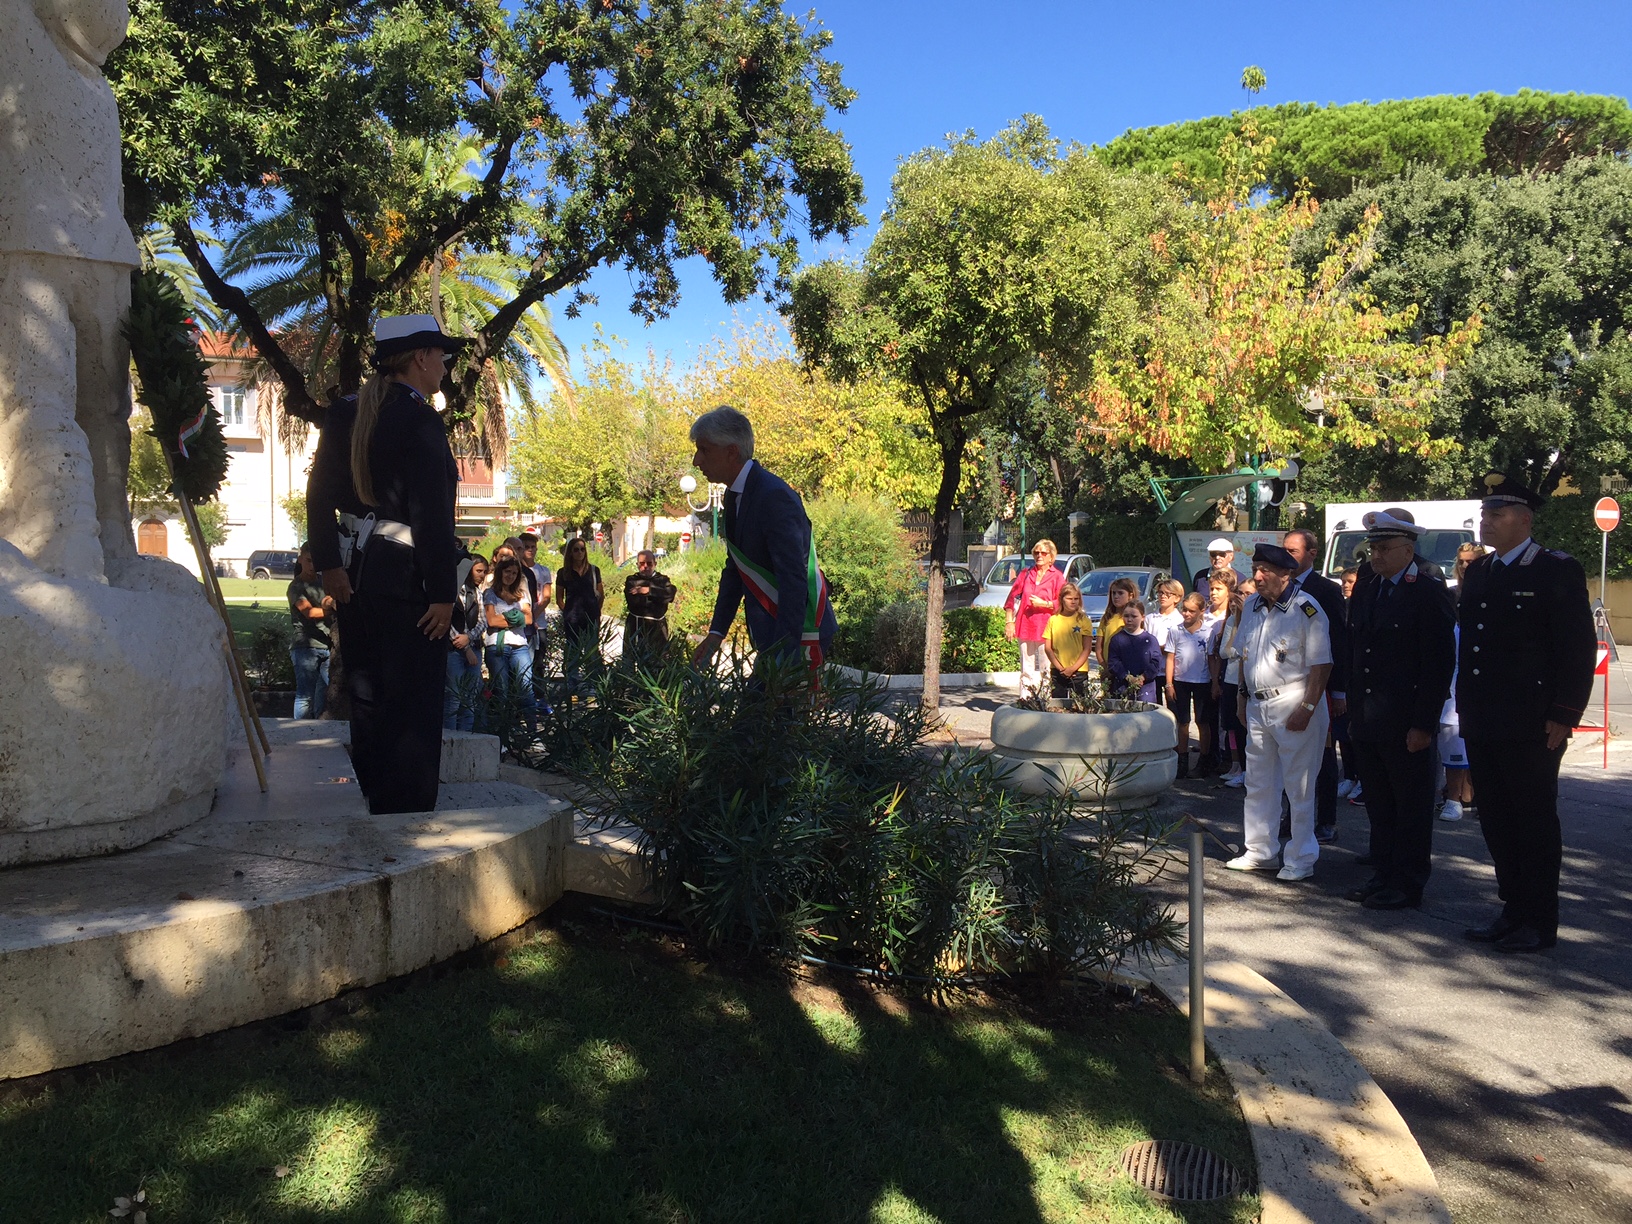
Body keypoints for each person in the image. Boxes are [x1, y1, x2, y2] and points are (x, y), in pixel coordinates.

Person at [306, 314, 460, 814]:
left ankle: (373, 799)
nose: (445, 364)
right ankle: (408, 817)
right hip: (409, 585)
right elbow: (431, 516)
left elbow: (318, 497)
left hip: (355, 579)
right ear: (419, 357)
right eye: (441, 354)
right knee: (412, 706)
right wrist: (443, 592)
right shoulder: (420, 418)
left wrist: (330, 565)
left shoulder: (345, 411)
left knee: (369, 698)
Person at [1458, 473, 1596, 953]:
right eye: (1484, 514)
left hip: (1532, 723)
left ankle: (1539, 920)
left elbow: (1576, 649)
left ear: (1524, 519)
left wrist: (1565, 712)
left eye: (1496, 515)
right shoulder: (1480, 571)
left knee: (1533, 822)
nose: (1486, 522)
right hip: (1484, 719)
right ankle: (1511, 910)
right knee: (1496, 820)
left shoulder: (1554, 569)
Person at [1342, 511, 1457, 910]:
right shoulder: (1369, 584)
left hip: (1406, 717)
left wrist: (1424, 723)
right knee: (1380, 804)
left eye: (1383, 548)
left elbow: (1438, 661)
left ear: (1407, 550)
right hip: (1371, 717)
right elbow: (1360, 650)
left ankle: (1407, 883)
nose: (1375, 555)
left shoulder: (1425, 587)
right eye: (1372, 547)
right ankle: (1383, 874)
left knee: (1410, 806)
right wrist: (1355, 712)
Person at [689, 406, 837, 676]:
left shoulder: (773, 496)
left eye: (704, 450)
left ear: (731, 451)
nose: (696, 461)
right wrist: (716, 633)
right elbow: (736, 570)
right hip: (776, 636)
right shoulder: (735, 496)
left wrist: (783, 657)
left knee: (764, 718)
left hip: (798, 636)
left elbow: (793, 579)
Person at [1228, 543, 1333, 882]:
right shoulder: (1254, 606)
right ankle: (1260, 850)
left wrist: (1308, 706)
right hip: (1259, 704)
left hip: (1294, 701)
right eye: (1255, 569)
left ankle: (1301, 856)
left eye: (1265, 571)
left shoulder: (1306, 609)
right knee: (1258, 781)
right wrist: (1243, 698)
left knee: (1299, 786)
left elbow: (1322, 664)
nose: (1257, 577)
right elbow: (1245, 655)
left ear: (1286, 574)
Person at [1282, 528, 1349, 841]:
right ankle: (1291, 816)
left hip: (1319, 689)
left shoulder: (1325, 589)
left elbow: (1338, 641)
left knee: (1322, 756)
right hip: (1286, 688)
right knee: (1288, 755)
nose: (1287, 556)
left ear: (1312, 553)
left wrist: (1337, 691)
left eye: (1293, 551)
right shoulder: (1279, 588)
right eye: (1286, 550)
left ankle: (1326, 820)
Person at [1003, 539, 1066, 700]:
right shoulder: (1025, 574)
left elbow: (1064, 601)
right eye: (1036, 552)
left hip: (1046, 628)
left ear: (1051, 557)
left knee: (1046, 668)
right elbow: (1012, 599)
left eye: (1043, 553)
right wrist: (1009, 622)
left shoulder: (1057, 577)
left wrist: (1045, 603)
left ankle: (1044, 700)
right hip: (1025, 626)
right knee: (1026, 667)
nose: (1039, 556)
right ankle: (1026, 700)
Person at [1164, 593, 1217, 779]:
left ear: (1201, 611)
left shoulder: (1208, 632)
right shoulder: (1175, 631)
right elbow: (1170, 657)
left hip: (1202, 681)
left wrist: (1215, 682)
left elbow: (1211, 658)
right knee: (1183, 721)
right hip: (1180, 681)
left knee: (1202, 721)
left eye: (1191, 611)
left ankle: (1204, 760)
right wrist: (1169, 683)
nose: (1186, 614)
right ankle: (1182, 760)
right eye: (1184, 610)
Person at [484, 554, 537, 726]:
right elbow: (491, 620)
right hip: (497, 645)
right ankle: (501, 733)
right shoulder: (490, 593)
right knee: (501, 690)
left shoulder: (521, 594)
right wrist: (515, 618)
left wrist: (504, 619)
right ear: (500, 572)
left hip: (519, 646)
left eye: (514, 573)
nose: (510, 576)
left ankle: (532, 732)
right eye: (507, 572)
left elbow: (528, 619)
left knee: (526, 688)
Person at [286, 543, 333, 719]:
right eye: (308, 561)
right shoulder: (295, 587)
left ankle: (319, 732)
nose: (312, 566)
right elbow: (309, 612)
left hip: (327, 645)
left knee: (325, 694)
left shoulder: (323, 583)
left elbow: (328, 600)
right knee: (305, 696)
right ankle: (300, 733)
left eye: (316, 562)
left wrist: (330, 602)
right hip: (305, 646)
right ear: (300, 560)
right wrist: (333, 608)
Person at [1211, 583, 1249, 785]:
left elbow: (1246, 650)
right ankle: (1237, 766)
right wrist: (1238, 650)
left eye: (1248, 593)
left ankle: (1247, 768)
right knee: (1232, 726)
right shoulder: (1233, 620)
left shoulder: (1255, 617)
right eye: (1240, 593)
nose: (1242, 598)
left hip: (1246, 681)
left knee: (1246, 728)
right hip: (1230, 680)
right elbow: (1225, 652)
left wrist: (1238, 649)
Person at [444, 553, 487, 732]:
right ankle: (450, 739)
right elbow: (445, 620)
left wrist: (469, 639)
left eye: (485, 572)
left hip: (473, 648)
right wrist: (464, 645)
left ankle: (466, 738)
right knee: (453, 699)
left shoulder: (477, 592)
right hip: (454, 650)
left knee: (469, 700)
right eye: (478, 571)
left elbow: (483, 621)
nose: (482, 575)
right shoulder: (449, 590)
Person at [555, 537, 605, 688]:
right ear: (570, 552)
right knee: (573, 652)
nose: (579, 552)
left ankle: (592, 683)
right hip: (572, 619)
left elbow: (601, 594)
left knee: (592, 651)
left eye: (582, 549)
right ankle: (573, 683)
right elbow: (559, 598)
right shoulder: (563, 572)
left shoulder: (594, 570)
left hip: (591, 618)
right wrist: (568, 612)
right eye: (576, 549)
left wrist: (597, 611)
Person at [623, 548, 677, 664]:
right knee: (630, 660)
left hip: (657, 626)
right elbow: (635, 602)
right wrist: (658, 595)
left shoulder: (663, 580)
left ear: (655, 564)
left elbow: (670, 595)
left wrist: (647, 591)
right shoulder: (631, 580)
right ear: (637, 565)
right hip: (635, 625)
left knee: (658, 661)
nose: (645, 566)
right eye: (642, 563)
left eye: (649, 563)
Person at [1043, 583, 1094, 701]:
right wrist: (1060, 668)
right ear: (1062, 599)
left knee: (1079, 704)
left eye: (1076, 599)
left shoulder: (1084, 620)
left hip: (1079, 671)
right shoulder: (1053, 620)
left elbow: (1087, 648)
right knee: (1058, 705)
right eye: (1069, 599)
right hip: (1058, 670)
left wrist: (1073, 668)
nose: (1073, 602)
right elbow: (1048, 648)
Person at [1106, 599, 1163, 703]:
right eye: (1126, 616)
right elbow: (1113, 662)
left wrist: (1143, 677)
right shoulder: (1117, 639)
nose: (1129, 619)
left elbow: (1156, 662)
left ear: (1142, 617)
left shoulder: (1150, 640)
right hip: (1123, 688)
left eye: (1134, 616)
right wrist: (1127, 677)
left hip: (1146, 689)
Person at [517, 532, 553, 683]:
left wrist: (533, 616)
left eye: (533, 547)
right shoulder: (516, 570)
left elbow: (546, 597)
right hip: (520, 623)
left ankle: (539, 696)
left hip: (539, 623)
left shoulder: (543, 570)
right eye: (526, 547)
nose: (530, 550)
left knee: (539, 661)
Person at [1096, 576, 1141, 666]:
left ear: (1130, 595)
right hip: (1108, 667)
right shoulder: (1107, 617)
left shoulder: (1135, 618)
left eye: (1120, 593)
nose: (1116, 596)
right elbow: (1098, 648)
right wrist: (1104, 666)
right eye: (1113, 593)